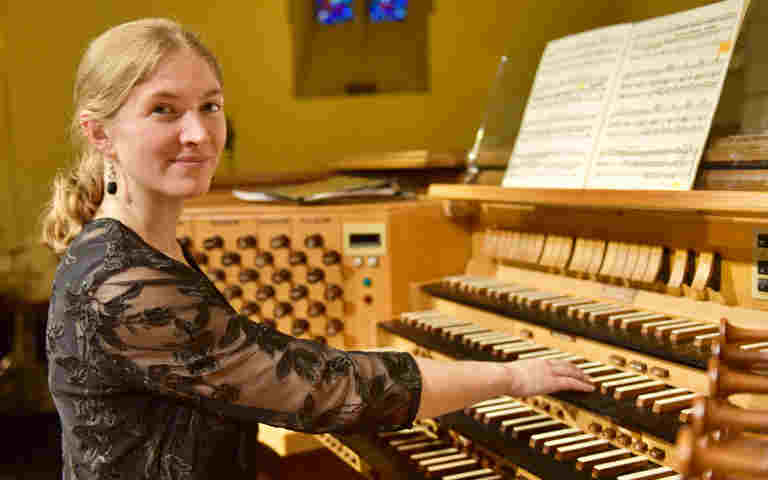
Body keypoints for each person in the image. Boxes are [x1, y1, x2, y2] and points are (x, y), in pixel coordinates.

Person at [41, 18, 594, 480]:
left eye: (209, 106)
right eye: (164, 110)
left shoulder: (137, 247)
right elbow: (321, 388)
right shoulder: (121, 285)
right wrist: (511, 378)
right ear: (100, 134)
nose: (199, 134)